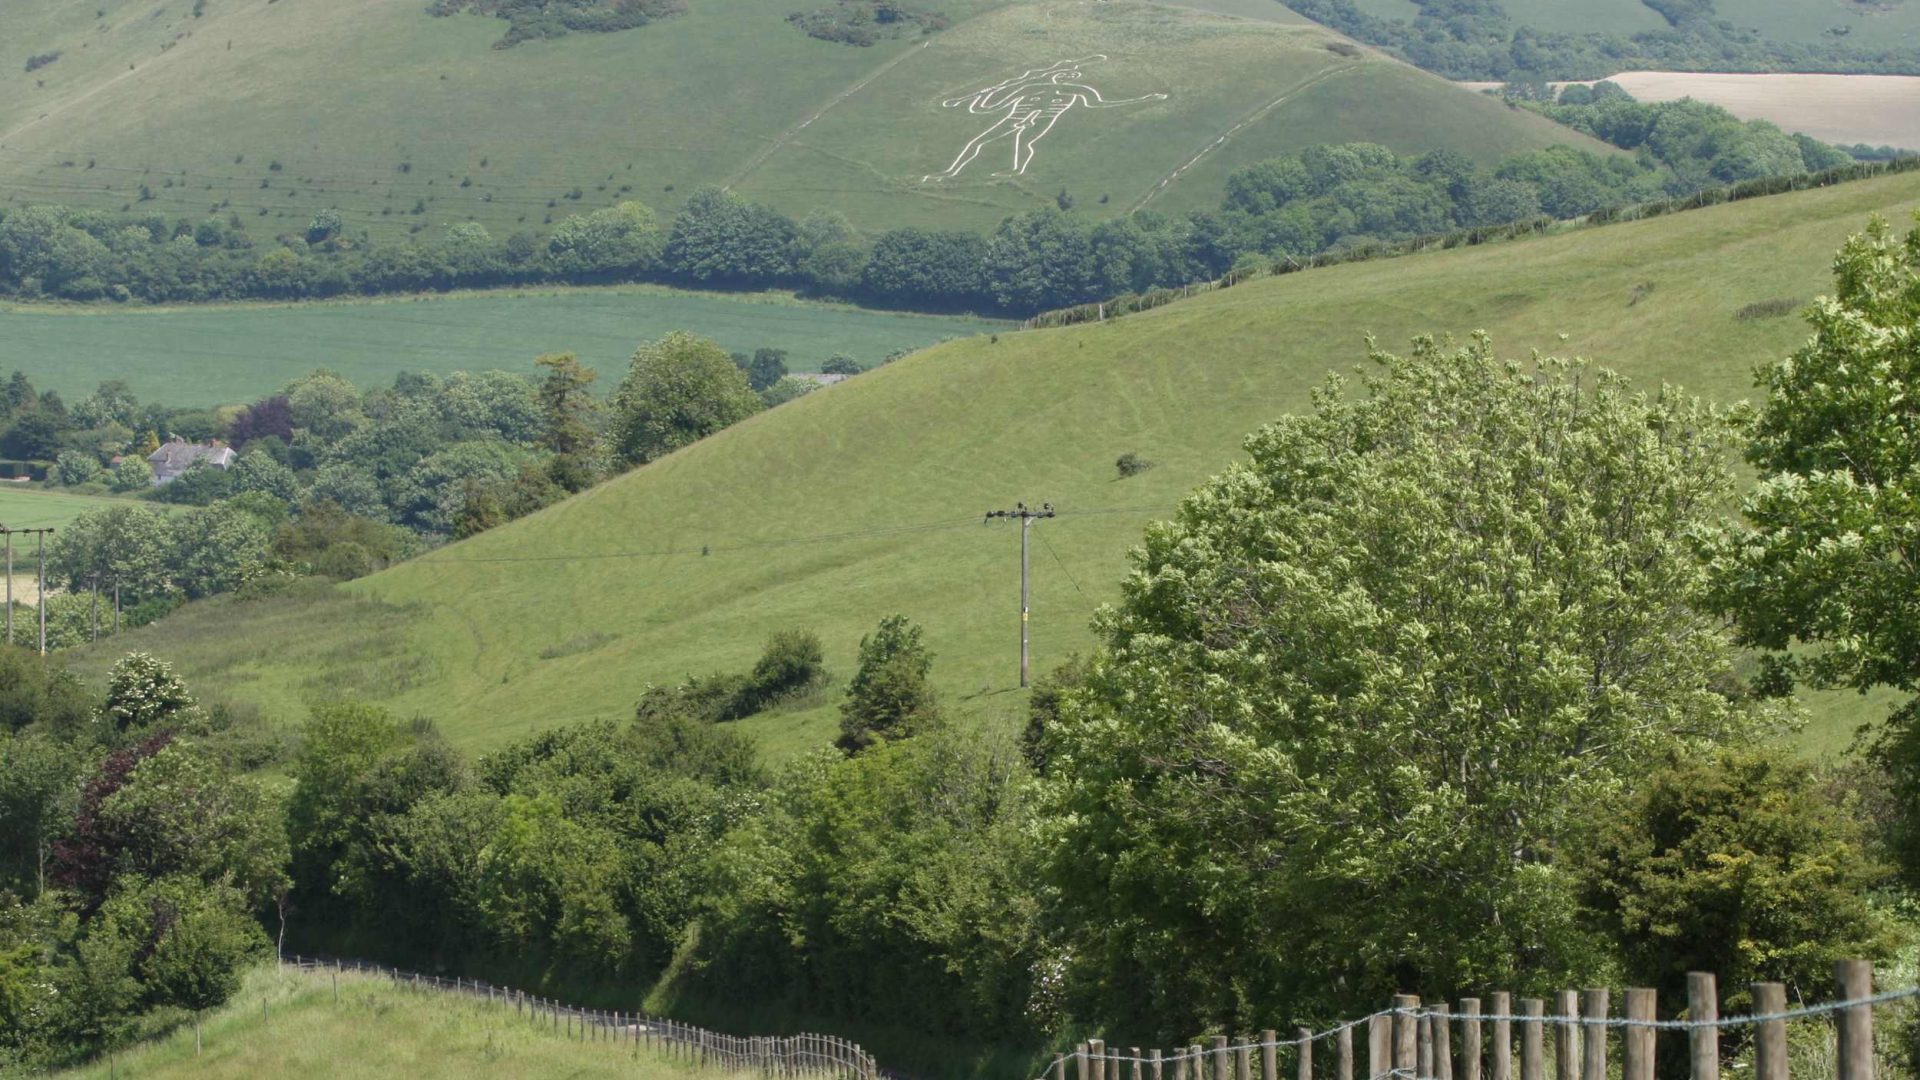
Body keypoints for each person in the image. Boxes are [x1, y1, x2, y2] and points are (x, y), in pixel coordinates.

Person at [925, 55, 1168, 181]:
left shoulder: (1077, 91)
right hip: (1015, 118)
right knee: (978, 142)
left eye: (1070, 74)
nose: (1066, 76)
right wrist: (978, 99)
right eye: (1063, 73)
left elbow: (1102, 104)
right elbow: (989, 109)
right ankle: (950, 172)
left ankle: (1015, 170)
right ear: (1056, 75)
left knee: (1024, 141)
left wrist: (1145, 99)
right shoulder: (1032, 87)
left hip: (1040, 120)